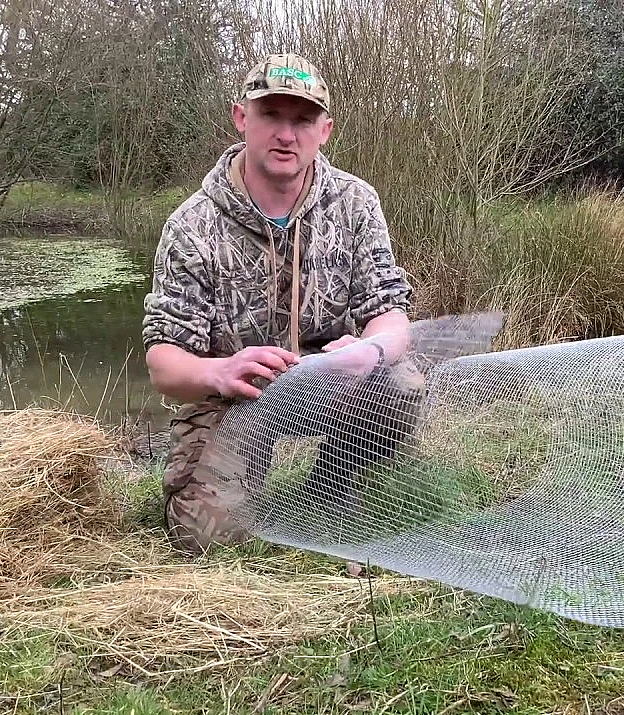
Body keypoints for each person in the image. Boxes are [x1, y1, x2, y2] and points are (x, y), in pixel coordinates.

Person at [141, 53, 421, 554]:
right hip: (234, 398)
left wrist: (368, 351)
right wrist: (220, 372)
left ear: (325, 130)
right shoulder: (192, 225)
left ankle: (329, 491)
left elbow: (392, 316)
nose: (286, 135)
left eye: (302, 120)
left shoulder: (355, 204)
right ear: (241, 117)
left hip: (327, 384)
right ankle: (228, 486)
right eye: (271, 115)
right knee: (206, 539)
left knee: (400, 379)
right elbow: (164, 364)